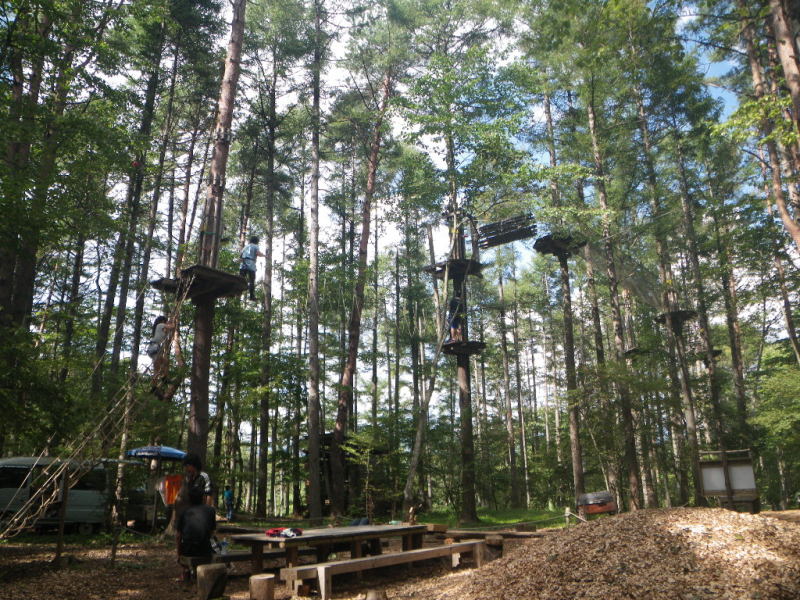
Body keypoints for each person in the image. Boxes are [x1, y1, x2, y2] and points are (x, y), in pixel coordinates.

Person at [176, 487, 216, 582]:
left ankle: (186, 571)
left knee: (186, 543)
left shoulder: (183, 512)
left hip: (188, 550)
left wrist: (179, 555)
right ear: (203, 498)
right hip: (205, 550)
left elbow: (178, 536)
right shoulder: (210, 511)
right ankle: (195, 572)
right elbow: (211, 532)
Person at [146, 316, 174, 396]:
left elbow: (168, 332)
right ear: (162, 321)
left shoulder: (161, 329)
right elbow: (172, 327)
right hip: (154, 348)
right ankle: (155, 386)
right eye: (165, 321)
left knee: (165, 362)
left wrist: (168, 327)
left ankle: (163, 378)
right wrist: (170, 323)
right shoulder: (160, 325)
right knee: (156, 369)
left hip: (154, 348)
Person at [239, 235, 265, 301]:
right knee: (252, 280)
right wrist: (264, 255)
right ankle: (251, 296)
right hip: (251, 263)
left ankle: (237, 291)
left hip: (243, 263)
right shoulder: (255, 246)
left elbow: (240, 255)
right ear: (256, 241)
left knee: (240, 278)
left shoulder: (246, 246)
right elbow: (258, 253)